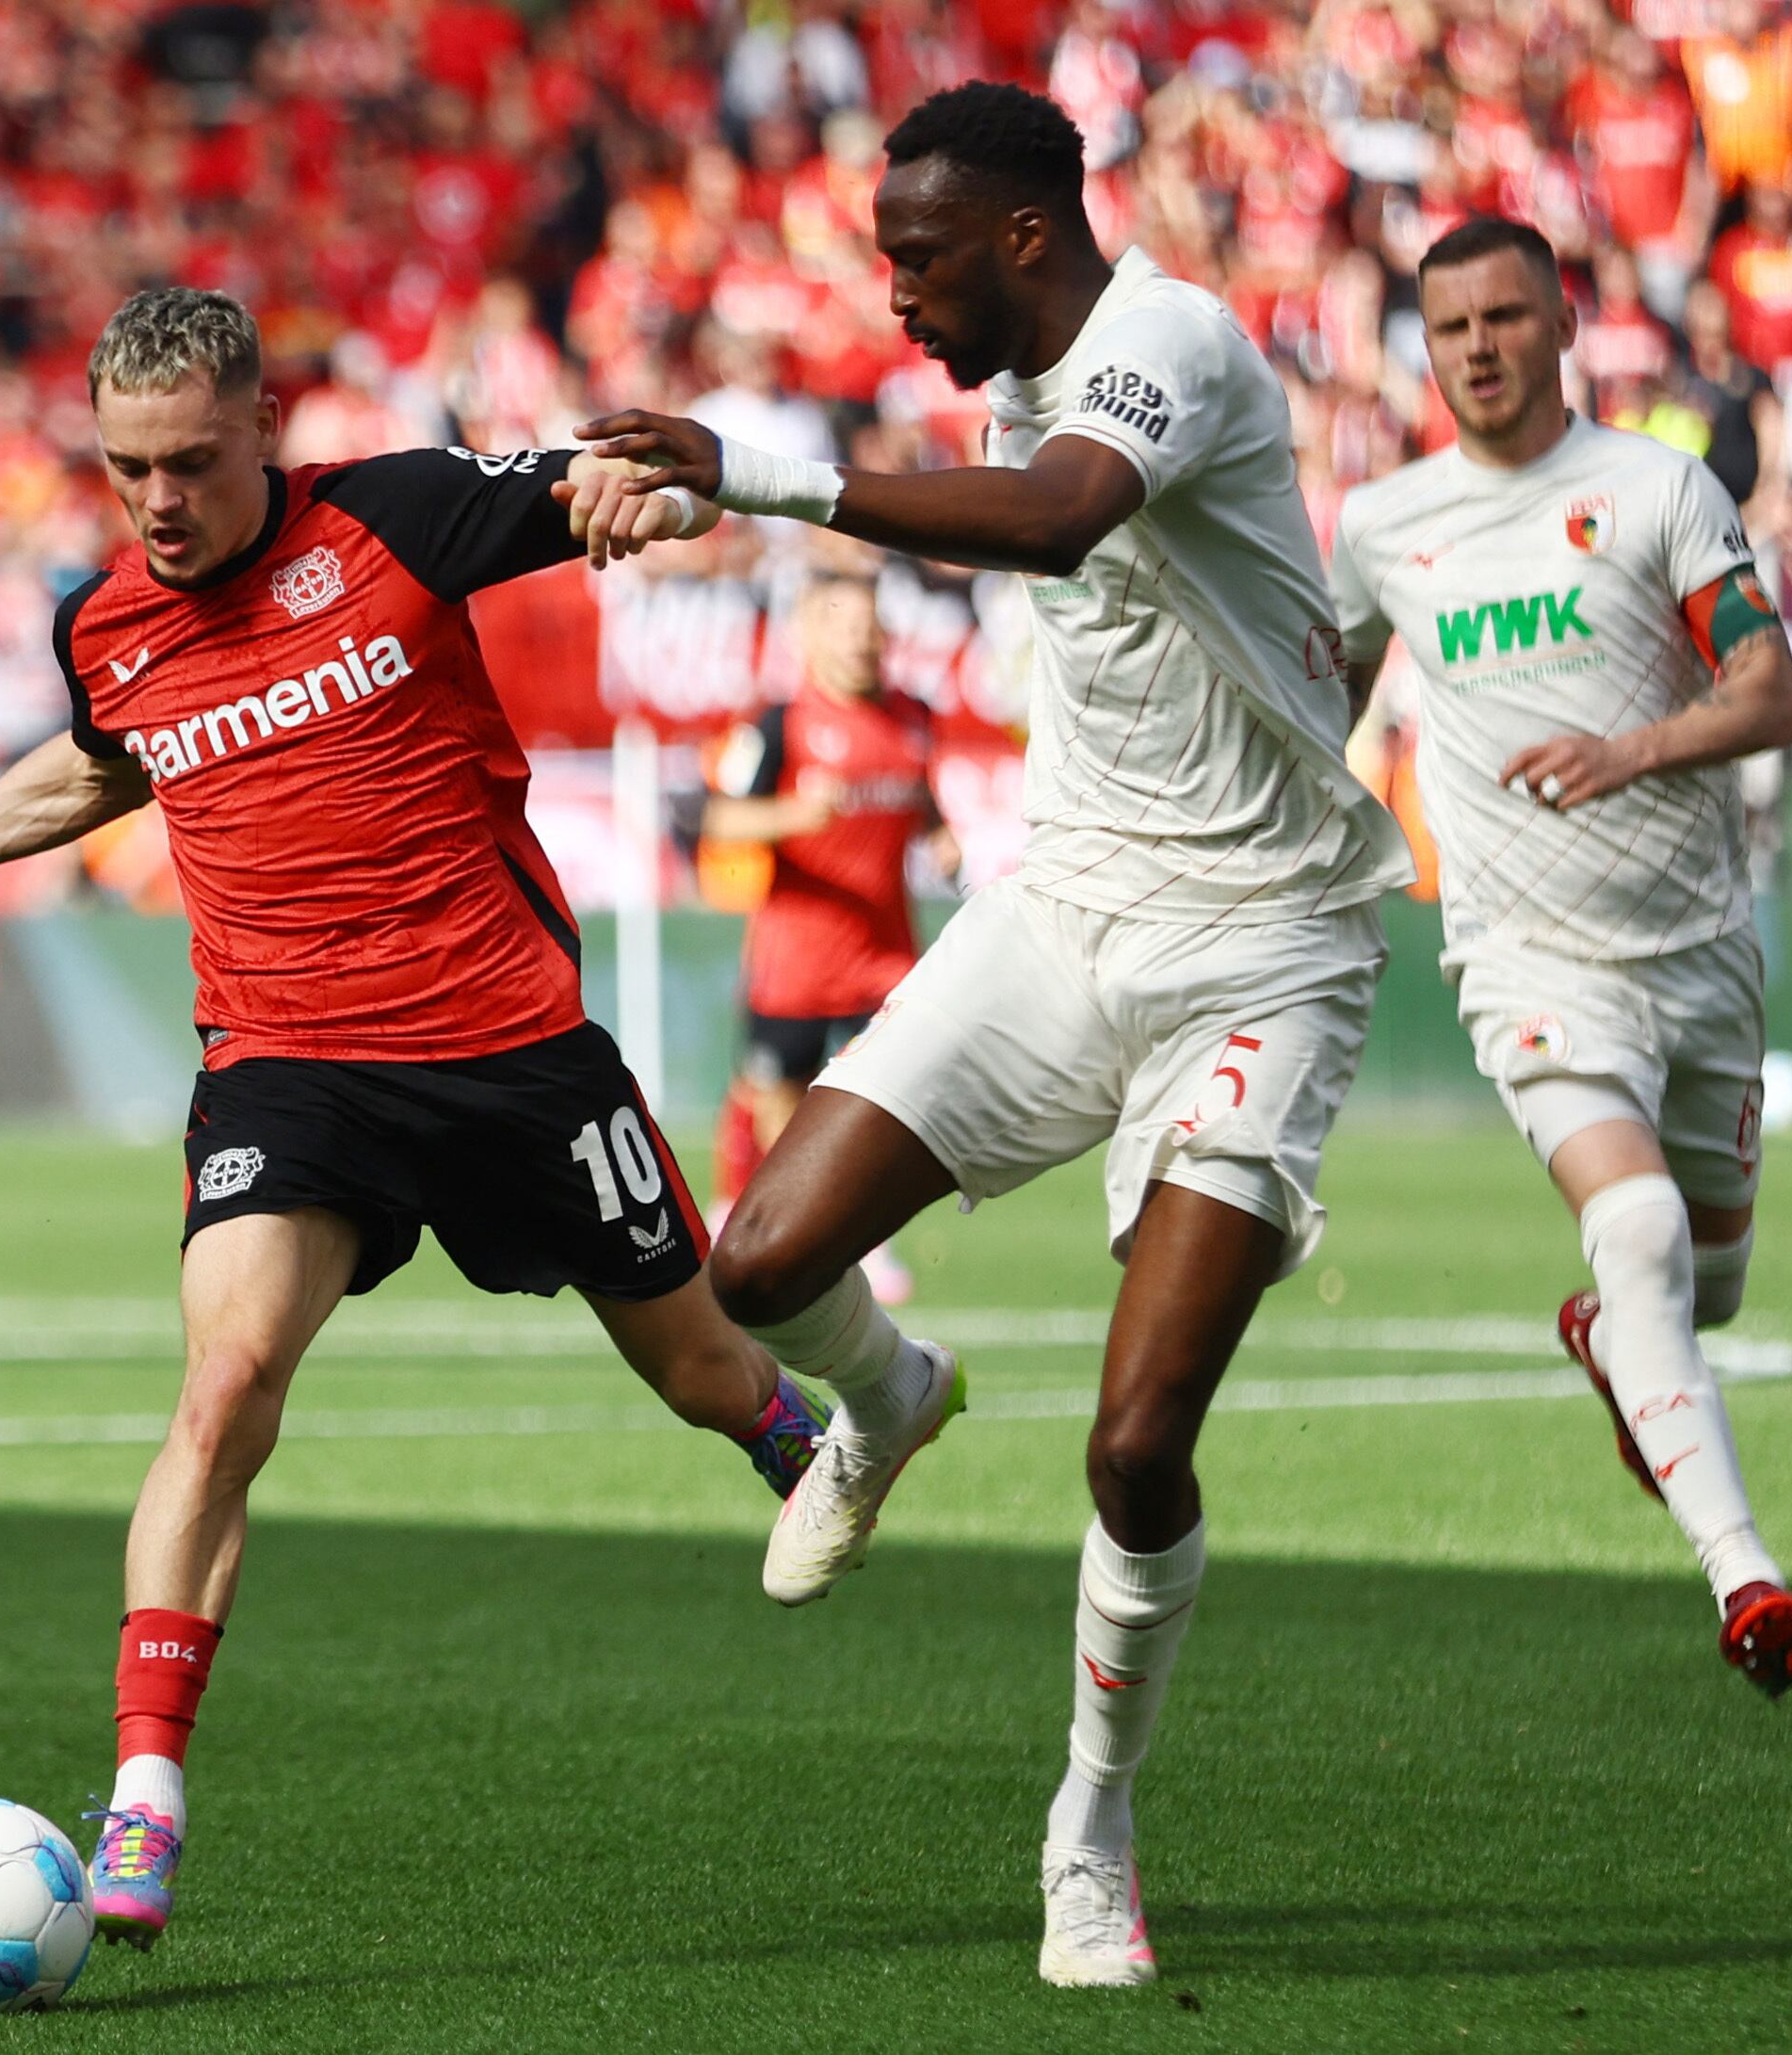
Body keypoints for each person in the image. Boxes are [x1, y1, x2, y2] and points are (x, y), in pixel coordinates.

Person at [0, 287, 831, 1955]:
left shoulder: (398, 516)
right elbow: (100, 767)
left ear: (266, 423)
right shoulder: (107, 620)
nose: (160, 502)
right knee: (221, 1387)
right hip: (289, 1067)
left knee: (708, 1373)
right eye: (128, 470)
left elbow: (626, 482)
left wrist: (651, 493)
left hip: (507, 1048)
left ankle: (814, 1444)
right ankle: (144, 1794)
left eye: (191, 461)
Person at [576, 82, 1414, 1988]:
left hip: (1266, 947)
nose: (894, 296)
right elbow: (1030, 500)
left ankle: (1089, 1831)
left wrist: (759, 477)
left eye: (918, 258)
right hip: (1063, 909)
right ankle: (888, 1394)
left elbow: (1054, 529)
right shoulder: (1016, 392)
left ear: (1026, 236)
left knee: (1135, 1442)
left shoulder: (1167, 347)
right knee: (764, 1256)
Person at [1326, 218, 1792, 1707]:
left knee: (1702, 1289)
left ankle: (1617, 1343)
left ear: (1561, 326)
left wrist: (1634, 751)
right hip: (1529, 956)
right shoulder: (1381, 528)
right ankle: (1745, 1574)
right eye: (1450, 325)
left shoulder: (1659, 488)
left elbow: (1772, 685)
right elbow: (1317, 699)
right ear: (1425, 348)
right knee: (1645, 1230)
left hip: (1697, 946)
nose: (1477, 347)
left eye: (1504, 318)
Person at [703, 558, 954, 1305]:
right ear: (809, 635)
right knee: (776, 1102)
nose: (861, 641)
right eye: (843, 625)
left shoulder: (915, 715)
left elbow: (924, 802)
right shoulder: (778, 724)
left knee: (879, 1105)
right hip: (796, 962)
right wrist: (792, 815)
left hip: (884, 956)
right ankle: (750, 1216)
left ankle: (861, 1241)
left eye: (871, 625)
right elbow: (717, 817)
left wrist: (942, 839)